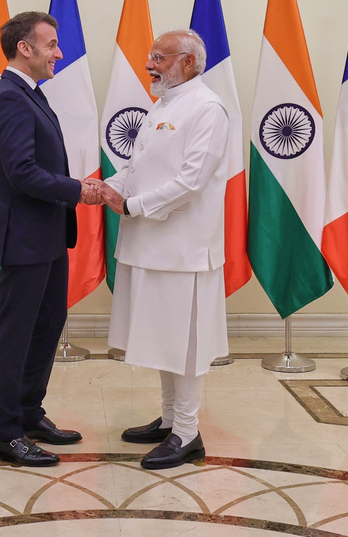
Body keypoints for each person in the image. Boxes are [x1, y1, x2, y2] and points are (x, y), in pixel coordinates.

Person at [94, 29, 230, 470]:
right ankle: (171, 419)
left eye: (159, 57)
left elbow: (191, 181)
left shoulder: (208, 108)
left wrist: (131, 205)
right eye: (150, 55)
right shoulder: (164, 103)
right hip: (149, 245)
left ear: (187, 62)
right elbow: (138, 166)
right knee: (163, 339)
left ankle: (188, 433)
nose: (150, 64)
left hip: (183, 250)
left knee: (184, 344)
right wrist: (103, 188)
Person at [0, 11, 102, 467]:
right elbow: (23, 173)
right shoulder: (10, 98)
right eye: (51, 44)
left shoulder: (30, 94)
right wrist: (78, 191)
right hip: (25, 239)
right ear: (25, 49)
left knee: (46, 326)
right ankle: (6, 433)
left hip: (49, 237)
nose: (60, 52)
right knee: (14, 336)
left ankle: (30, 414)